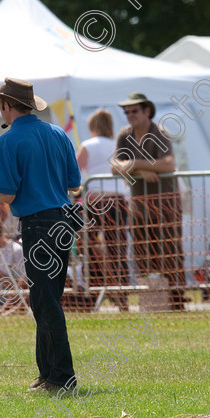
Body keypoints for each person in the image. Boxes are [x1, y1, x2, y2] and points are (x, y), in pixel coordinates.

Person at [0, 77, 81, 393]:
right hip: (63, 222)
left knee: (45, 302)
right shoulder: (58, 133)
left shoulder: (9, 141)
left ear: (6, 105)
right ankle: (48, 373)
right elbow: (75, 184)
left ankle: (61, 377)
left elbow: (5, 194)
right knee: (46, 299)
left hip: (37, 225)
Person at [111, 92, 187, 311]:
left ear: (147, 111)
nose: (129, 115)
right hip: (139, 207)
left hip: (166, 206)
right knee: (143, 253)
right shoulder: (124, 135)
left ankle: (177, 301)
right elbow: (114, 167)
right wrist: (138, 167)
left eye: (134, 110)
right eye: (126, 111)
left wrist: (136, 164)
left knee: (170, 253)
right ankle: (153, 301)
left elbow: (169, 165)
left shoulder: (159, 132)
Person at [77, 109, 131, 310]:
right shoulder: (119, 146)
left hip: (95, 202)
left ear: (92, 127)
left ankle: (95, 291)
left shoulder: (88, 145)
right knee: (118, 249)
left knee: (90, 247)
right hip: (118, 201)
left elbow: (75, 170)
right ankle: (122, 295)